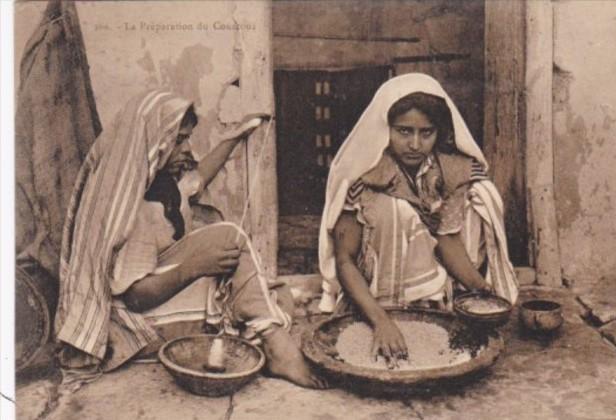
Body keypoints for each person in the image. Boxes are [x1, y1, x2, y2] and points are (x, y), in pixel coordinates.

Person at [55, 90, 326, 388]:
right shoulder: (135, 208)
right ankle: (277, 348)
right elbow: (135, 297)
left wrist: (235, 136)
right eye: (178, 140)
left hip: (162, 301)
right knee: (235, 252)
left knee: (270, 292)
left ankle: (264, 334)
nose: (186, 150)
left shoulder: (163, 184)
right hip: (138, 326)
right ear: (153, 144)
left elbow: (198, 178)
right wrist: (194, 267)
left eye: (186, 139)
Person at [317, 73, 518, 366]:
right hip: (373, 289)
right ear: (386, 130)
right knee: (396, 210)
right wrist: (381, 322)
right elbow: (345, 260)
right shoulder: (363, 177)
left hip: (425, 283)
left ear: (439, 132)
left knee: (483, 191)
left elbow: (446, 238)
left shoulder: (447, 171)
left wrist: (481, 290)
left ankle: (426, 304)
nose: (414, 144)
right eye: (403, 131)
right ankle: (383, 313)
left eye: (426, 133)